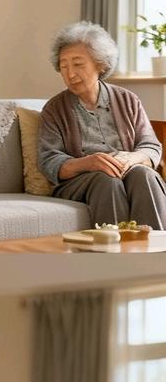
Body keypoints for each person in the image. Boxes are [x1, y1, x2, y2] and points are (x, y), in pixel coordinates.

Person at [38, 21, 166, 229]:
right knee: (107, 179)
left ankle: (155, 251)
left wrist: (131, 158)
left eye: (78, 64)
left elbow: (150, 145)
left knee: (143, 174)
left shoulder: (128, 100)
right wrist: (89, 162)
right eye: (63, 66)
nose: (70, 74)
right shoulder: (55, 109)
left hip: (127, 171)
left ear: (101, 64)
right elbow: (49, 161)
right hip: (81, 182)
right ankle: (111, 254)